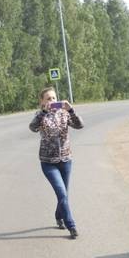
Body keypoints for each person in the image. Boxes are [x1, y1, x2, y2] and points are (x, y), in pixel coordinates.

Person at [29, 86, 84, 239]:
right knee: (62, 193)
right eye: (48, 99)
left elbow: (80, 125)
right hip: (48, 163)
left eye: (54, 98)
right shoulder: (40, 115)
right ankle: (71, 225)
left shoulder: (64, 113)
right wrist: (44, 112)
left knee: (64, 194)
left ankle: (58, 216)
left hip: (66, 160)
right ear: (42, 102)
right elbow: (32, 127)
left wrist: (71, 110)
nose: (52, 101)